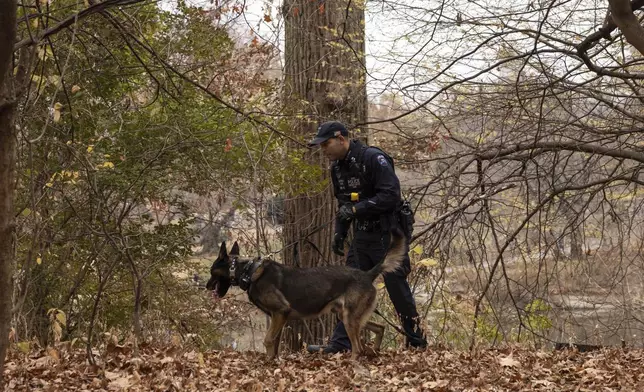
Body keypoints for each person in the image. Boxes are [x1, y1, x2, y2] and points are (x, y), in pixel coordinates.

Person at [306, 120, 428, 354]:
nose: (323, 150)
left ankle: (417, 344)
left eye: (326, 144)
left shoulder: (373, 158)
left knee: (397, 289)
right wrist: (339, 234)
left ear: (341, 139)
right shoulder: (338, 168)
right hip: (362, 235)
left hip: (388, 234)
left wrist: (356, 209)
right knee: (348, 287)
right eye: (320, 146)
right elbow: (343, 204)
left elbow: (391, 195)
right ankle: (340, 344)